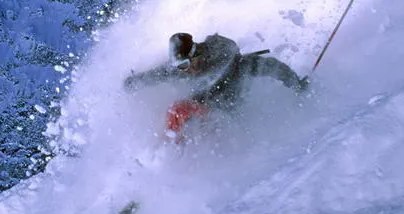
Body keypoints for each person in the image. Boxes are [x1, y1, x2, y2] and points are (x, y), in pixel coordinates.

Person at [123, 32, 309, 140]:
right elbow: (159, 74)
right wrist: (135, 82)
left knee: (194, 118)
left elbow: (270, 66)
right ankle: (167, 154)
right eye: (179, 67)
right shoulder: (181, 69)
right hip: (204, 104)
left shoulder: (232, 63)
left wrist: (297, 83)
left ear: (196, 54)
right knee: (178, 111)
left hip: (231, 110)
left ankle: (188, 159)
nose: (184, 71)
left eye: (185, 65)